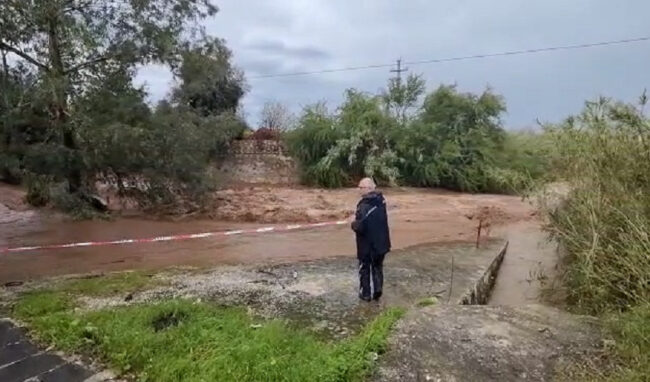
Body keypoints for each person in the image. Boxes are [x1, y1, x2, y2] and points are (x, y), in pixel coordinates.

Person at [350, 177, 391, 301]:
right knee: (378, 267)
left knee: (364, 269)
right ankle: (378, 291)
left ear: (368, 188)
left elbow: (360, 226)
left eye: (361, 187)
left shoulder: (364, 205)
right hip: (382, 243)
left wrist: (353, 223)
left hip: (367, 245)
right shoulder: (381, 201)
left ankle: (365, 295)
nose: (359, 190)